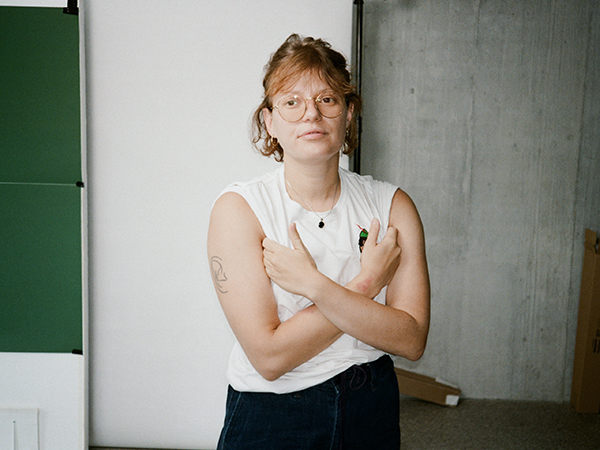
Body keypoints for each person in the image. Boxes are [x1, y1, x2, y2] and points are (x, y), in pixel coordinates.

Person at [208, 34, 430, 450]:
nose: (311, 113)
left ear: (348, 113)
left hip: (371, 404)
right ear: (270, 121)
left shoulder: (392, 205)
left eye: (327, 99)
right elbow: (269, 357)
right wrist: (366, 283)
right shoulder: (240, 209)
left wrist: (313, 285)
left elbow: (411, 339)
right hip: (272, 414)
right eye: (291, 102)